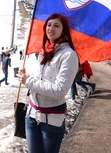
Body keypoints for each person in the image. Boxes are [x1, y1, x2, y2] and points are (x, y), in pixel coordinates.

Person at [17, 13, 79, 153]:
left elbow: (60, 90)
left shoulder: (68, 55)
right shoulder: (45, 50)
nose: (51, 28)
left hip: (51, 120)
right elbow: (42, 79)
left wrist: (29, 81)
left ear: (63, 30)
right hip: (32, 115)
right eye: (49, 25)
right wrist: (26, 76)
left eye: (56, 25)